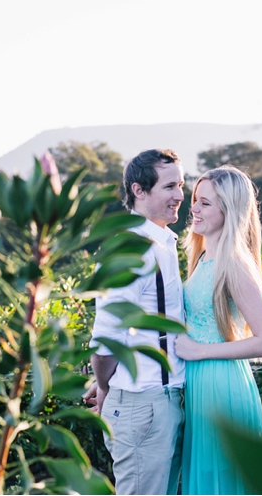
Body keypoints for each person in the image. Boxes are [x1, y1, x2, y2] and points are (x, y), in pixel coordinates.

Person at [85, 149, 187, 495]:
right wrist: (103, 387)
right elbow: (105, 341)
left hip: (163, 402)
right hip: (143, 407)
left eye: (181, 185)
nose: (179, 196)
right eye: (169, 186)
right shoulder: (130, 251)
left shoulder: (164, 244)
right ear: (138, 190)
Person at [174, 165, 262, 495]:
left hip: (222, 385)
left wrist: (200, 350)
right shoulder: (204, 257)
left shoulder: (233, 263)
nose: (193, 209)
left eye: (205, 203)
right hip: (200, 385)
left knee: (223, 481)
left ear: (228, 209)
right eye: (195, 199)